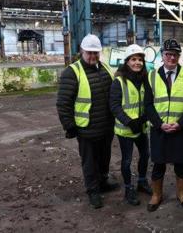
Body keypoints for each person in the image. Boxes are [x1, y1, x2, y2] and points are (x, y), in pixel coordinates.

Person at [56, 34, 119, 209]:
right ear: (82, 51)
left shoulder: (105, 68)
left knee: (104, 158)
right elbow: (63, 103)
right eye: (89, 53)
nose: (93, 57)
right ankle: (92, 190)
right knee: (89, 161)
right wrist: (69, 125)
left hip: (106, 126)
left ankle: (103, 182)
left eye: (96, 53)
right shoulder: (72, 72)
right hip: (86, 129)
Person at [144, 38, 183, 212]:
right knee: (158, 163)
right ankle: (156, 195)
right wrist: (159, 124)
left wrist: (181, 123)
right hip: (160, 129)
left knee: (180, 164)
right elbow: (148, 105)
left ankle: (182, 194)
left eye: (175, 55)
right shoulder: (151, 76)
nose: (172, 58)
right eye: (168, 54)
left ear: (179, 56)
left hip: (180, 129)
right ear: (162, 55)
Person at [109, 44, 152, 206]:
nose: (137, 63)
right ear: (127, 62)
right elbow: (114, 106)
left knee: (145, 155)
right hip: (125, 130)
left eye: (140, 60)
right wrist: (129, 122)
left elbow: (149, 102)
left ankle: (142, 182)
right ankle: (128, 189)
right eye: (134, 59)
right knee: (127, 160)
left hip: (141, 126)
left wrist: (142, 120)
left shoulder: (145, 80)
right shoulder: (119, 81)